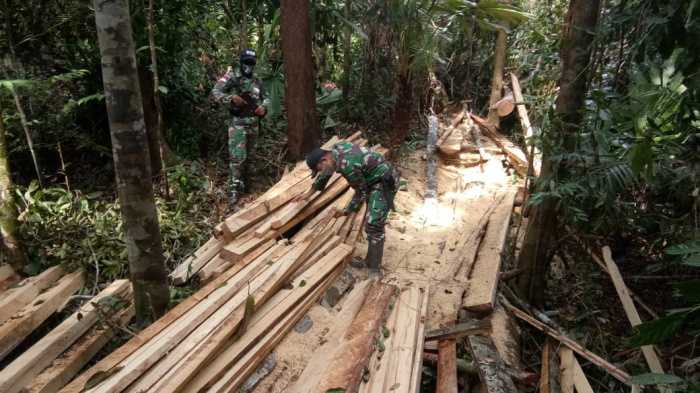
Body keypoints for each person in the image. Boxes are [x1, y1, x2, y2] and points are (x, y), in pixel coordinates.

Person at [303, 141, 400, 278]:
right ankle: (368, 260)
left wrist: (346, 211)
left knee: (373, 224)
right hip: (371, 179)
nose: (320, 172)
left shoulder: (348, 165)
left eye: (319, 169)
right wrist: (308, 194)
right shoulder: (336, 151)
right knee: (371, 220)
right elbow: (326, 173)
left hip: (383, 182)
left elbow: (361, 192)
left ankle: (375, 269)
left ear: (324, 160)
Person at [211, 49, 269, 206]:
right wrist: (231, 98)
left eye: (251, 63)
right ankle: (234, 191)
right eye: (246, 62)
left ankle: (249, 188)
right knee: (237, 158)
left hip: (254, 124)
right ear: (241, 62)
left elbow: (267, 98)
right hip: (237, 125)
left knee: (251, 158)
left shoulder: (258, 81)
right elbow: (216, 92)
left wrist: (263, 107)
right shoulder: (232, 77)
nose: (248, 66)